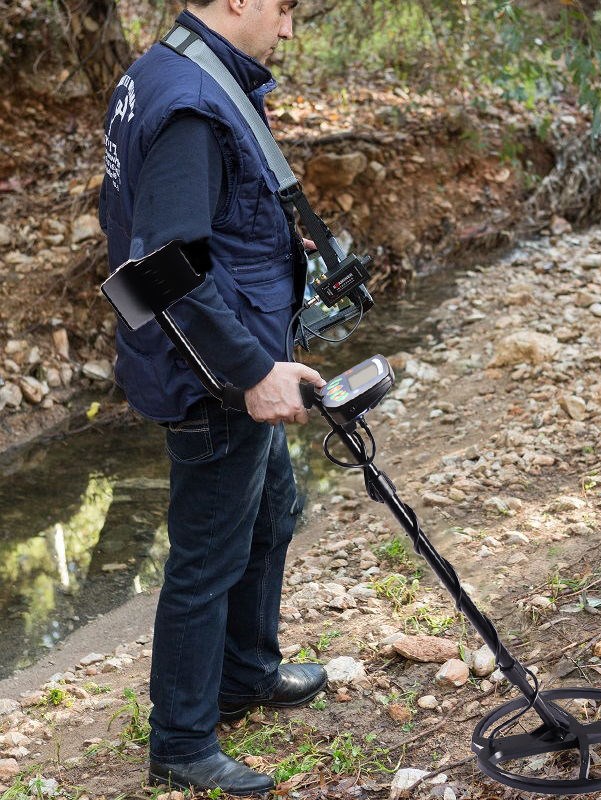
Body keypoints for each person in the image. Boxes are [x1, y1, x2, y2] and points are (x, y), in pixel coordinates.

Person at [99, 0, 328, 795]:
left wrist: (273, 239)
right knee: (207, 557)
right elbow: (161, 264)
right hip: (213, 378)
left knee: (272, 513)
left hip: (223, 355)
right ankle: (183, 743)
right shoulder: (189, 101)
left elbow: (191, 221)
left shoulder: (169, 72)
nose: (289, 29)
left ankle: (246, 674)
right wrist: (251, 372)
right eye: (285, 8)